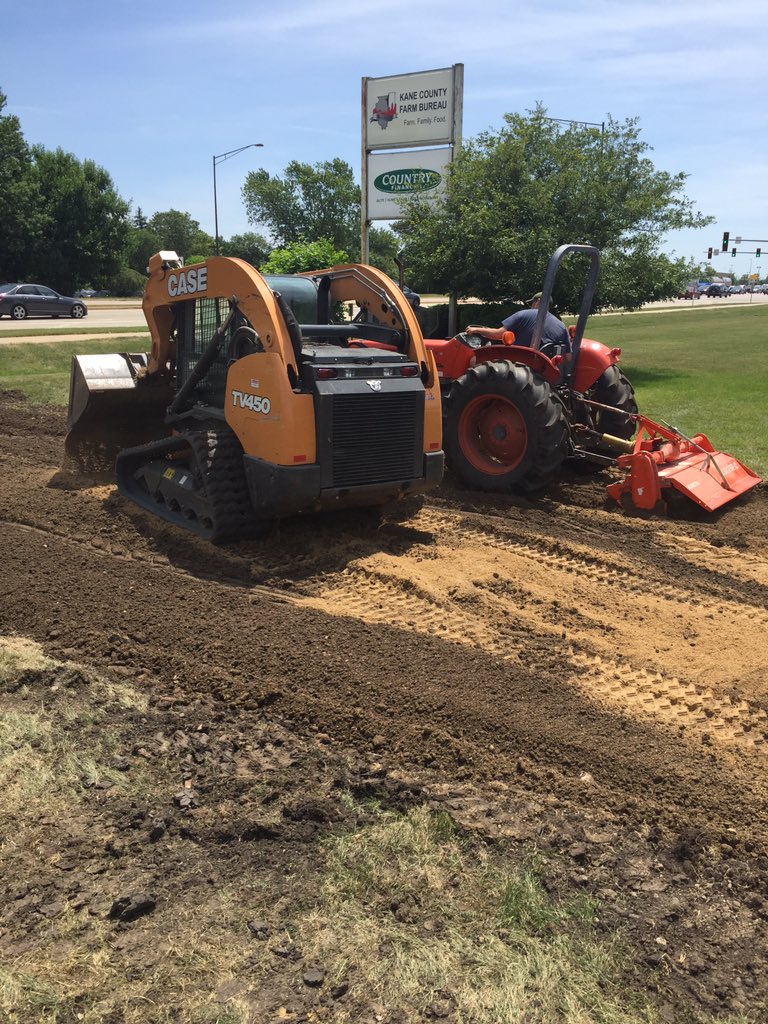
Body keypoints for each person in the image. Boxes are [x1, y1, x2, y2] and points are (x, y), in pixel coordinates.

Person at [466, 292, 571, 358]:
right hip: (546, 372)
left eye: (532, 303)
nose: (531, 306)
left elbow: (498, 334)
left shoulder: (524, 315)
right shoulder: (561, 326)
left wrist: (476, 330)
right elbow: (568, 356)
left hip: (522, 365)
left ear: (538, 302)